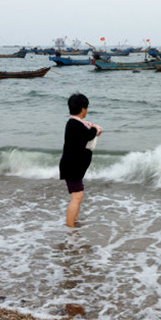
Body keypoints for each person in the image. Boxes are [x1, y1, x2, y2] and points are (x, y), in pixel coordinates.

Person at [59, 93, 102, 227]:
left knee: (77, 195)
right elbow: (89, 135)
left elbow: (86, 134)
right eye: (86, 108)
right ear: (83, 109)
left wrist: (91, 127)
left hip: (72, 166)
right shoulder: (75, 125)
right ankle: (70, 229)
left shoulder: (74, 124)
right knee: (77, 197)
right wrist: (95, 129)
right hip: (72, 167)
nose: (87, 111)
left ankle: (74, 223)